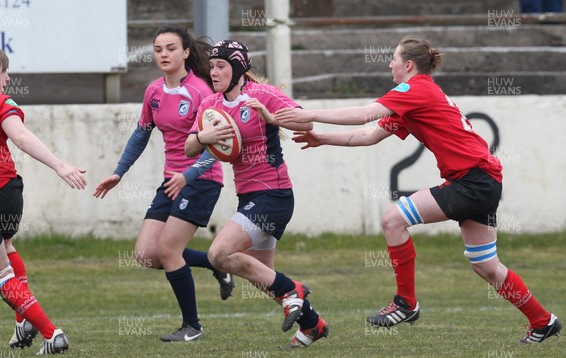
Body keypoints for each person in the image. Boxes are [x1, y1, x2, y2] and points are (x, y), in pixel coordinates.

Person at [276, 35, 562, 344]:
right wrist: (322, 137)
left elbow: (365, 113)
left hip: (473, 181)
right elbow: (369, 135)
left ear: (408, 65)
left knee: (392, 219)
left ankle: (406, 304)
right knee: (487, 266)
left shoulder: (414, 88)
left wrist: (310, 115)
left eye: (394, 59)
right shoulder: (412, 97)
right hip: (481, 181)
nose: (390, 63)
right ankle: (542, 321)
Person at [93, 25, 235, 342]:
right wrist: (119, 172)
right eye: (158, 49)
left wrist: (189, 175)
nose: (164, 54)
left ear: (185, 52)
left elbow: (217, 150)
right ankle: (216, 264)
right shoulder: (153, 91)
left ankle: (192, 327)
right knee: (146, 254)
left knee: (169, 251)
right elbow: (141, 134)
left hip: (201, 181)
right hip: (172, 181)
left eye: (171, 48)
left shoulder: (201, 92)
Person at [184, 40, 328, 348]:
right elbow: (189, 147)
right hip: (247, 196)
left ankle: (295, 289)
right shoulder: (210, 104)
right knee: (264, 278)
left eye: (221, 66)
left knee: (218, 255)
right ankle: (313, 324)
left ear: (238, 69)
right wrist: (202, 136)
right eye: (211, 67)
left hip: (273, 194)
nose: (214, 72)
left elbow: (306, 120)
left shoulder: (261, 95)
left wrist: (271, 116)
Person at [0, 44, 87, 354]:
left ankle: (51, 333)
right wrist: (60, 165)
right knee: (6, 247)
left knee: (0, 276)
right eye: (4, 72)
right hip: (8, 194)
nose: (7, 79)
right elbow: (20, 137)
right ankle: (24, 321)